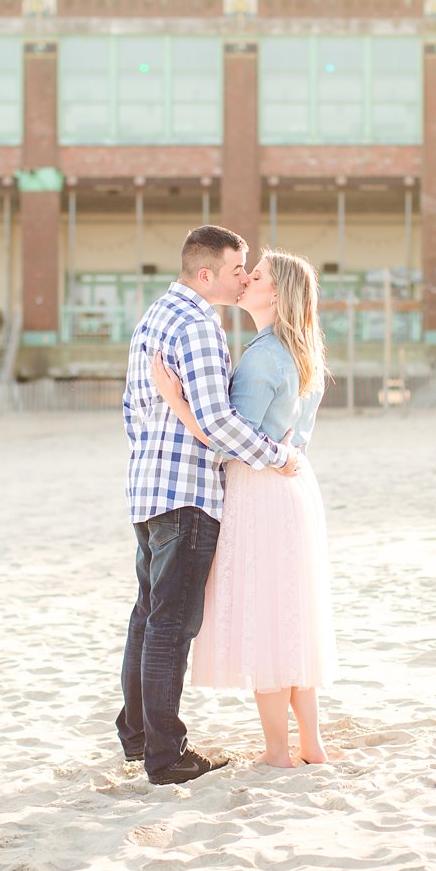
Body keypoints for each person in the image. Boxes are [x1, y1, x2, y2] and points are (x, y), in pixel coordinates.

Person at [118, 225, 302, 787]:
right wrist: (274, 456)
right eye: (235, 269)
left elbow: (130, 409)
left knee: (148, 618)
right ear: (206, 275)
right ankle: (166, 755)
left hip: (147, 489)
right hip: (188, 491)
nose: (244, 277)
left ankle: (138, 737)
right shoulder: (199, 325)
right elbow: (221, 423)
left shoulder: (153, 317)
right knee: (172, 624)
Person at [149, 249, 338, 768]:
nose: (244, 280)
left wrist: (176, 401)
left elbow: (229, 441)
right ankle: (310, 745)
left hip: (259, 490)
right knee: (293, 615)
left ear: (274, 294)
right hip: (296, 488)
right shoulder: (305, 356)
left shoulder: (260, 358)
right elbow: (297, 438)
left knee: (268, 616)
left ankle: (278, 751)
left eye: (254, 276)